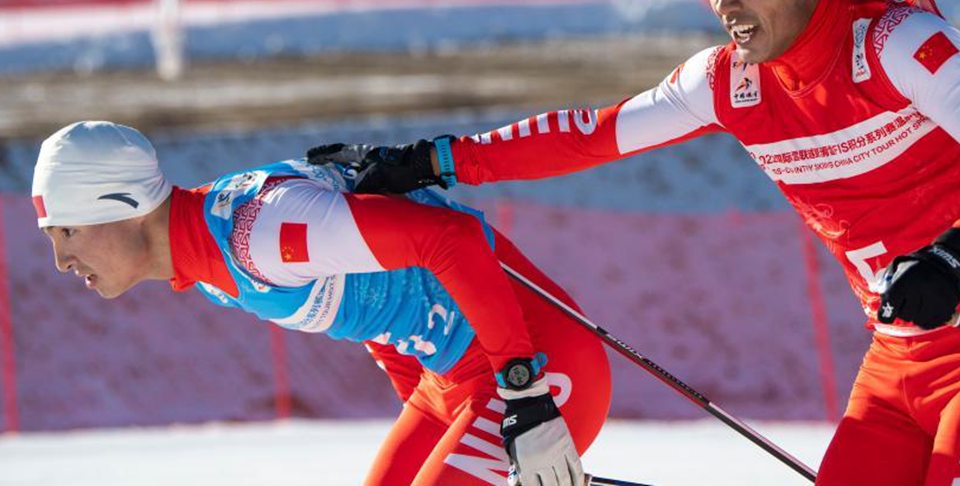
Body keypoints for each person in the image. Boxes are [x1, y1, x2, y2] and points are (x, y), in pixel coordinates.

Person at [309, 0, 960, 486]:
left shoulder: (893, 41)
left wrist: (957, 253)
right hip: (894, 370)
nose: (721, 0)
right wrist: (437, 159)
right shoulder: (729, 81)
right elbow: (593, 135)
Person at [32, 120, 610, 486]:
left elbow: (450, 239)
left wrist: (522, 392)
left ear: (123, 205)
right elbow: (372, 300)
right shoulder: (208, 260)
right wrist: (424, 398)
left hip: (536, 364)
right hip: (455, 380)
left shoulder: (258, 233)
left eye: (69, 232)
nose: (61, 260)